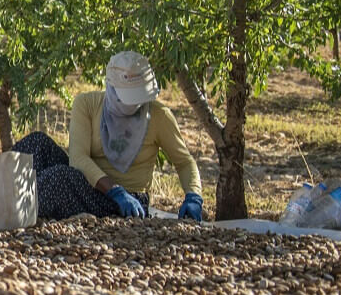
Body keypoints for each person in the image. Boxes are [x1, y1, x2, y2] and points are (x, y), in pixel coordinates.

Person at [12, 50, 204, 221]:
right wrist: (114, 190)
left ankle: (12, 205)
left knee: (58, 179)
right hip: (94, 186)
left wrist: (193, 196)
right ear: (111, 88)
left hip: (129, 201)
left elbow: (184, 162)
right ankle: (3, 194)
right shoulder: (87, 104)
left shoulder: (159, 115)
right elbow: (78, 159)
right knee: (36, 143)